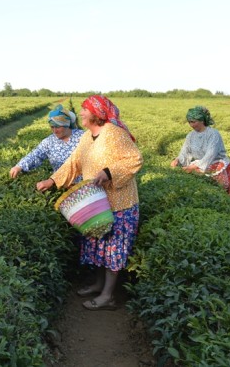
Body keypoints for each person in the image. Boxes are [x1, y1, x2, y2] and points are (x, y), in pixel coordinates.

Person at [36, 95, 143, 311]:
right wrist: (52, 180)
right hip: (95, 203)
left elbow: (135, 159)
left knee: (113, 249)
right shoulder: (87, 137)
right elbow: (73, 163)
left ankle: (107, 296)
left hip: (119, 204)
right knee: (98, 246)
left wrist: (109, 172)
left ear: (96, 113)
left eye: (84, 110)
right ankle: (98, 284)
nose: (81, 114)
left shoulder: (115, 134)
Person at [170, 105, 230, 196]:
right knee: (202, 192)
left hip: (215, 164)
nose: (191, 125)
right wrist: (177, 160)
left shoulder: (213, 134)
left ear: (202, 120)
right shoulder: (191, 135)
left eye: (194, 122)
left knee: (219, 191)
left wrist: (193, 167)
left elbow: (210, 155)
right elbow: (185, 151)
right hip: (199, 164)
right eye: (189, 122)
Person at [9, 104, 84, 179]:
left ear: (66, 125)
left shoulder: (82, 136)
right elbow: (36, 154)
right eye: (52, 127)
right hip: (60, 183)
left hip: (84, 184)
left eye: (58, 127)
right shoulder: (49, 142)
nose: (55, 131)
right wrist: (19, 166)